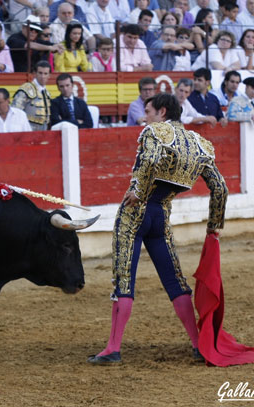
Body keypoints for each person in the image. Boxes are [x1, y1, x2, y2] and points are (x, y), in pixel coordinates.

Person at [87, 92, 228, 365]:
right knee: (175, 280)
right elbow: (220, 187)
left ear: (162, 112)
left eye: (149, 111)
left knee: (124, 280)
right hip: (161, 216)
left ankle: (113, 348)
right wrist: (214, 227)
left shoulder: (155, 132)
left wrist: (138, 190)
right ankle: (198, 345)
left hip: (133, 215)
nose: (146, 116)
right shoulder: (200, 144)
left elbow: (150, 161)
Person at [12, 60, 52, 130]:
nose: (42, 76)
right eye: (40, 73)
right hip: (28, 129)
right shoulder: (26, 89)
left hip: (44, 130)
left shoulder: (47, 93)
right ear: (35, 73)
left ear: (49, 75)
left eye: (45, 74)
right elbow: (15, 112)